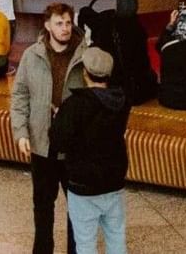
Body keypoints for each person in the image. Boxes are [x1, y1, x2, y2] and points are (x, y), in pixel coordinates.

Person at [9, 2, 87, 254]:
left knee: (78, 208)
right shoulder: (32, 55)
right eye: (59, 23)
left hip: (74, 147)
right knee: (43, 207)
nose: (65, 28)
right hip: (42, 144)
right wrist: (20, 132)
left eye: (68, 22)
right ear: (47, 25)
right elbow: (20, 95)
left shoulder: (85, 56)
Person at [48, 46, 129, 254]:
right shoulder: (121, 102)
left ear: (85, 73)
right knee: (116, 236)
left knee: (85, 243)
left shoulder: (75, 105)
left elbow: (58, 142)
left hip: (83, 186)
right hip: (114, 183)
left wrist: (59, 118)